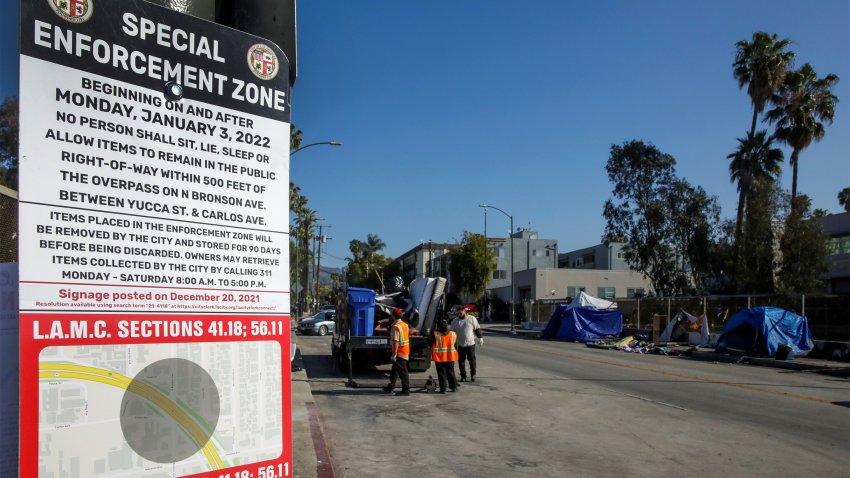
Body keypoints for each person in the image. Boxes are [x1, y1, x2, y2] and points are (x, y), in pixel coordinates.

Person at [383, 307, 411, 396]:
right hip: (405, 350)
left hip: (399, 352)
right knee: (394, 370)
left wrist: (394, 353)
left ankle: (406, 390)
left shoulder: (396, 327)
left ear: (393, 316)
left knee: (403, 372)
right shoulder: (405, 324)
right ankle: (391, 387)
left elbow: (396, 341)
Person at [450, 305, 482, 382]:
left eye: (461, 312)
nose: (459, 314)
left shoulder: (471, 319)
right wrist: (453, 344)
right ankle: (463, 376)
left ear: (464, 311)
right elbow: (452, 334)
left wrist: (480, 337)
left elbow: (477, 329)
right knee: (461, 361)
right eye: (458, 313)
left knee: (472, 360)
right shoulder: (455, 321)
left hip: (470, 344)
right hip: (460, 345)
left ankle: (473, 375)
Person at [431, 318, 458, 393]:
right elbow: (456, 346)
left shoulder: (436, 334)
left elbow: (429, 343)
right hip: (450, 357)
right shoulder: (453, 334)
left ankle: (443, 389)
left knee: (441, 373)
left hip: (439, 358)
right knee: (451, 372)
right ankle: (454, 387)